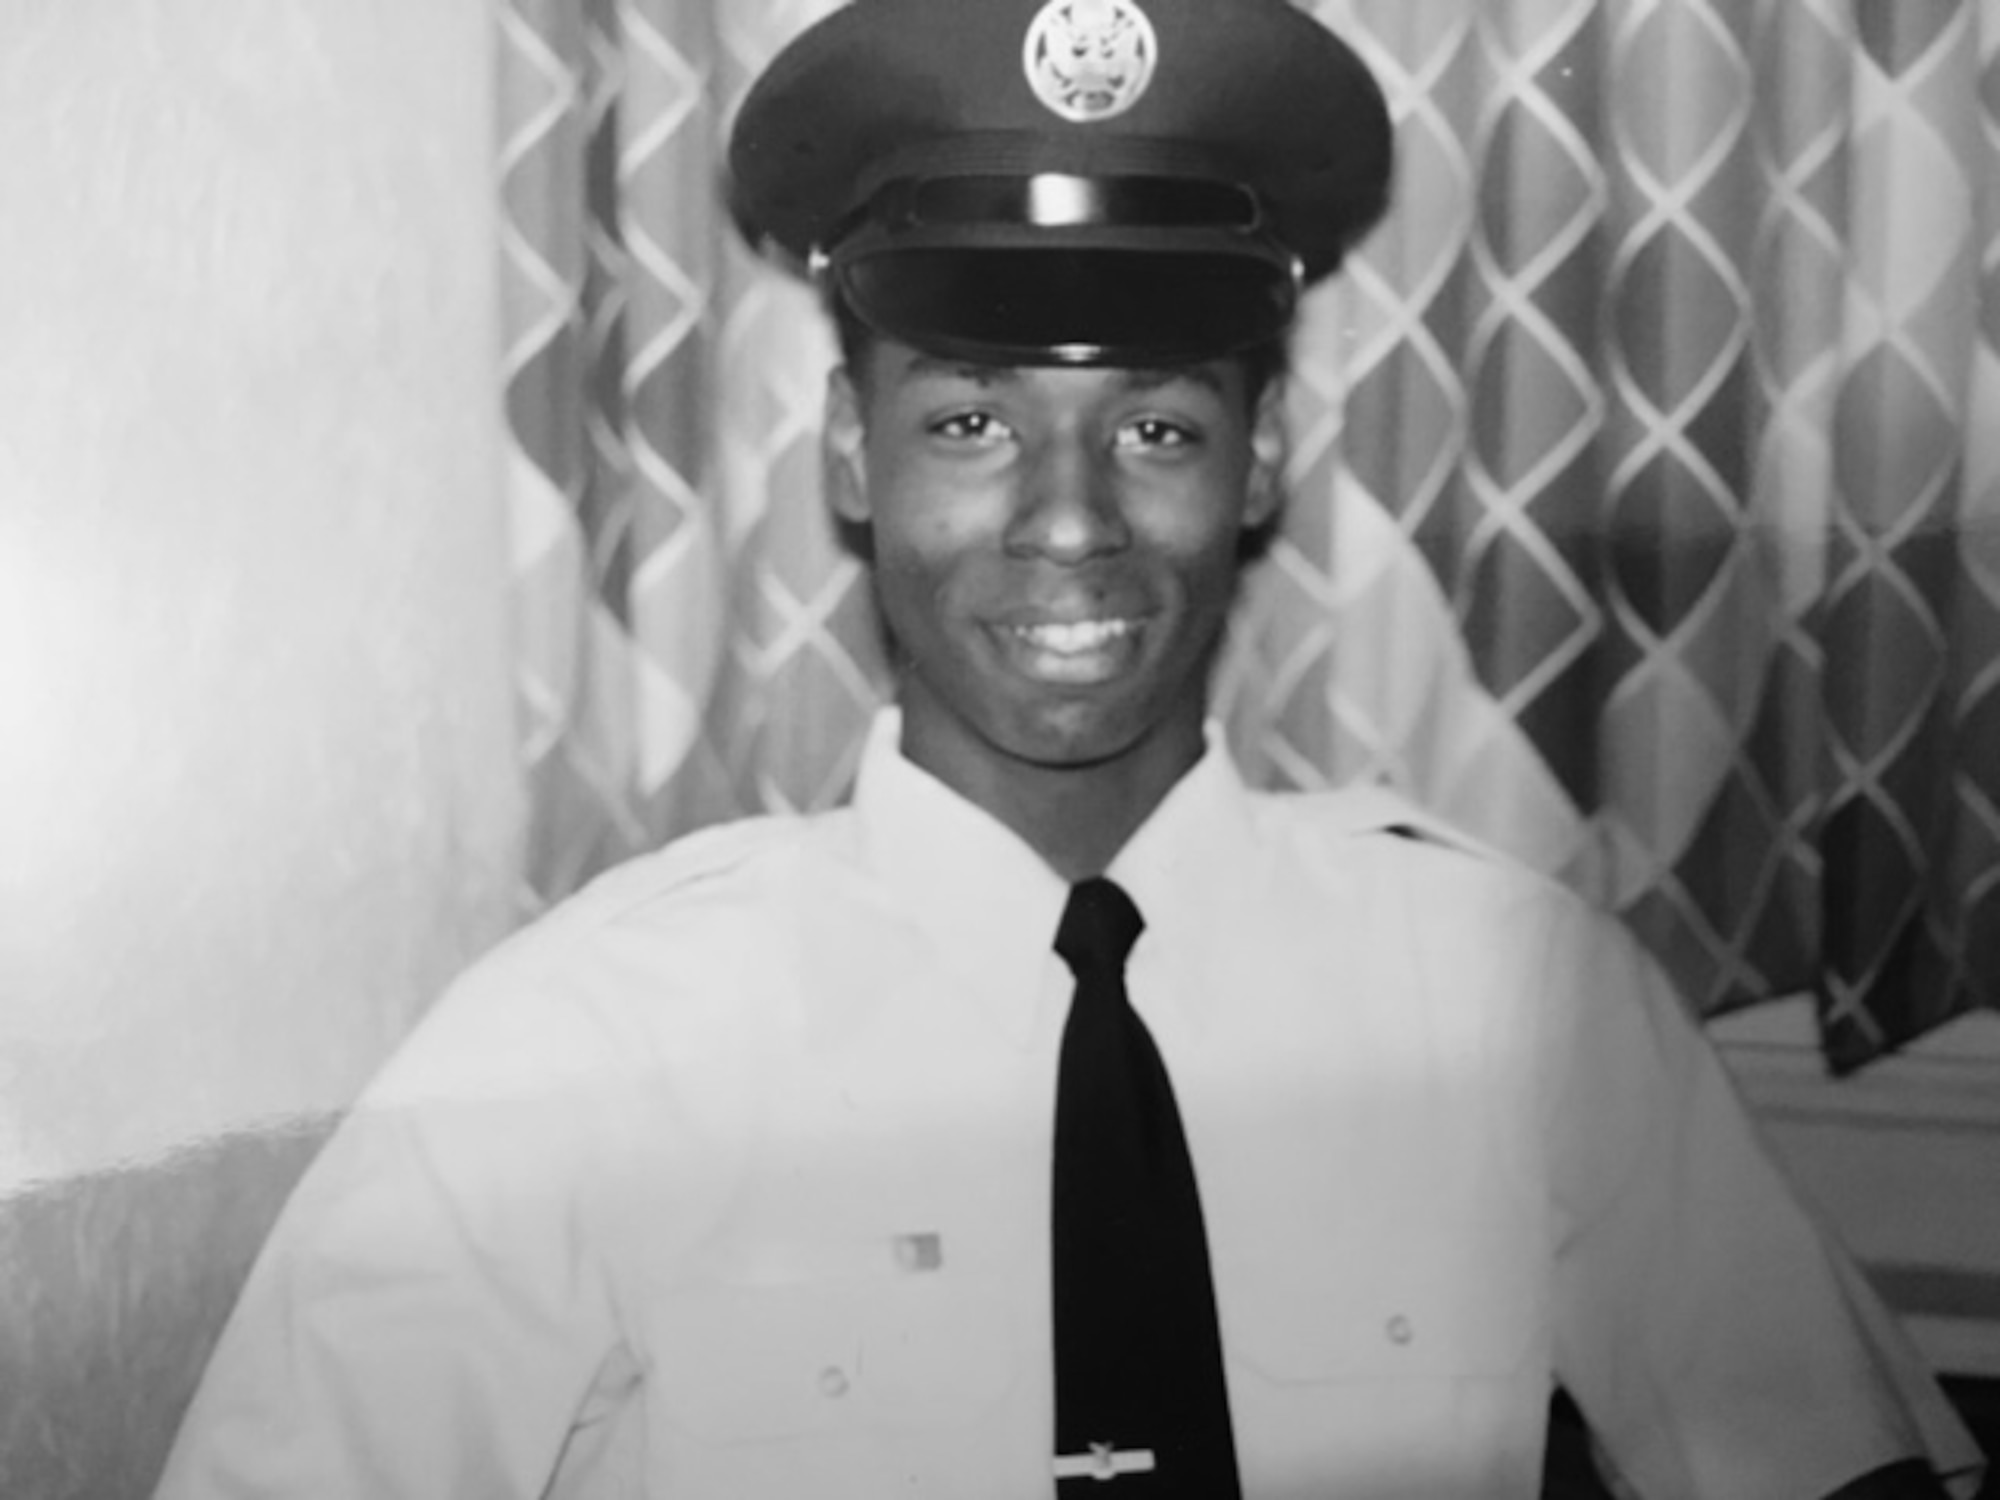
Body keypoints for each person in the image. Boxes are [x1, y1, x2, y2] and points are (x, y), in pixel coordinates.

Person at [155, 1, 1987, 1497]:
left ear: (1261, 461)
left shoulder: (1512, 997)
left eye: (1158, 432)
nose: (1067, 519)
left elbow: (1830, 1460)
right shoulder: (580, 1048)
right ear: (851, 461)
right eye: (968, 421)